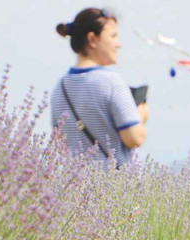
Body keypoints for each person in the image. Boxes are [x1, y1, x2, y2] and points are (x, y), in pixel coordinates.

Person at [51, 8, 148, 166]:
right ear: (92, 39)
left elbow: (58, 145)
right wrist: (140, 116)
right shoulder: (111, 82)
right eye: (113, 36)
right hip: (114, 187)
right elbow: (134, 138)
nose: (119, 44)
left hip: (76, 186)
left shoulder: (60, 88)